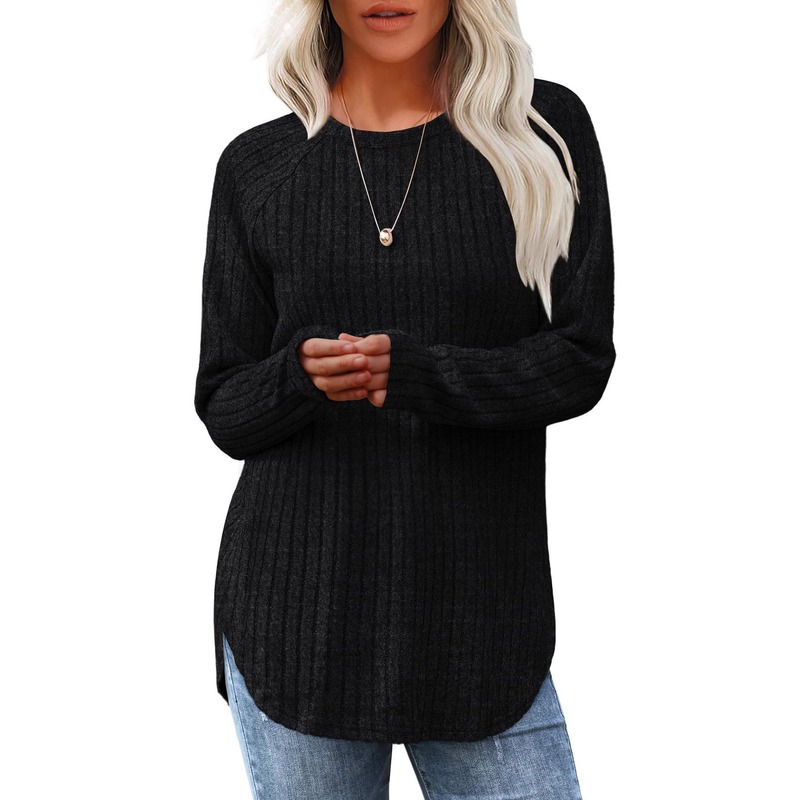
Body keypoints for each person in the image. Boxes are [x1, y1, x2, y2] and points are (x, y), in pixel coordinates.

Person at [193, 1, 616, 797]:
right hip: (297, 621)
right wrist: (298, 377)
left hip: (481, 625)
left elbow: (580, 358)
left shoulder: (540, 132)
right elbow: (223, 401)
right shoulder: (257, 166)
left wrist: (421, 375)